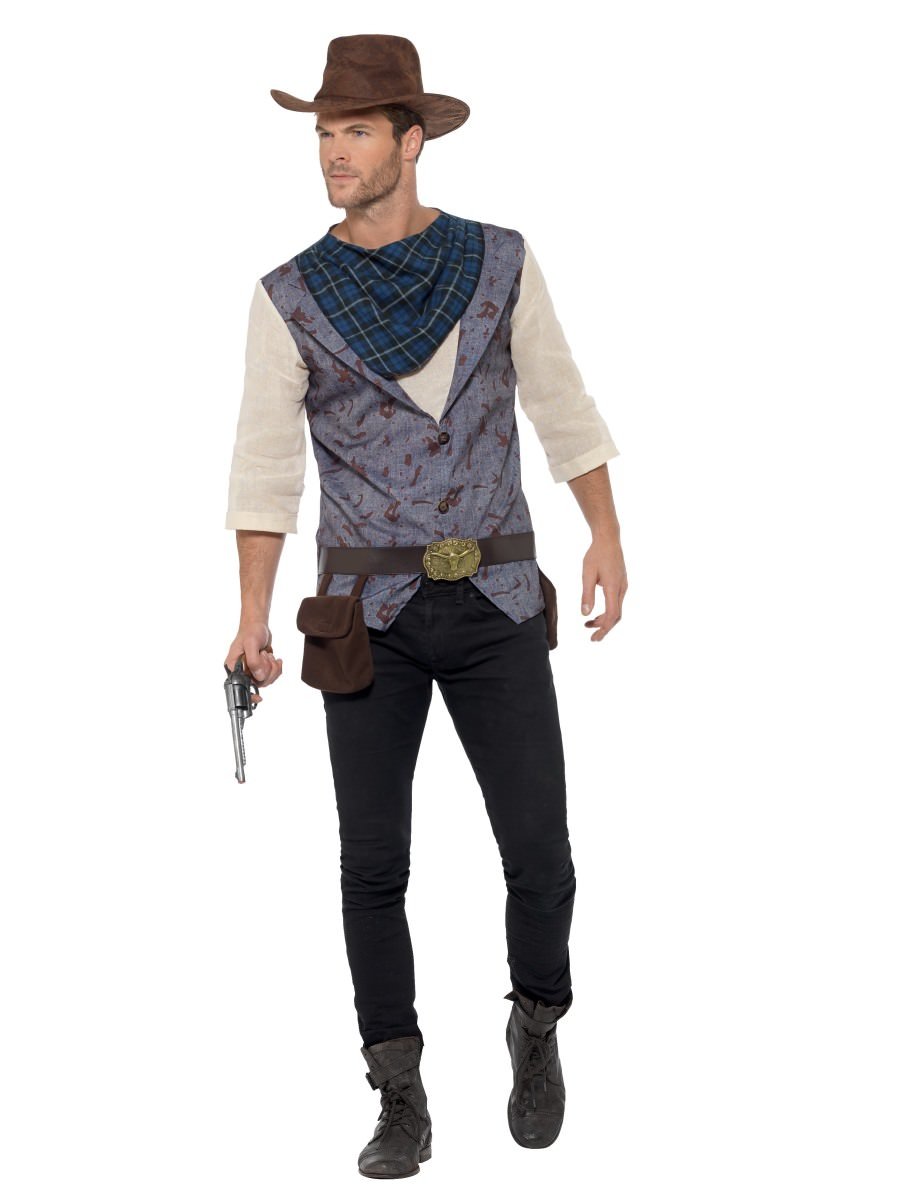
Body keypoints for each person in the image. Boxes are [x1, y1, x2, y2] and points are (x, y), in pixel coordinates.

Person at [224, 33, 627, 1181]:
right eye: (323, 132)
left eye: (354, 131)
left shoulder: (500, 262)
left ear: (410, 141)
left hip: (497, 597)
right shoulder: (290, 296)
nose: (331, 152)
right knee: (372, 865)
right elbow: (265, 469)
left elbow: (561, 403)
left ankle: (536, 1024)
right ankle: (398, 1089)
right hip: (364, 617)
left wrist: (604, 532)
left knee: (540, 852)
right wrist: (251, 617)